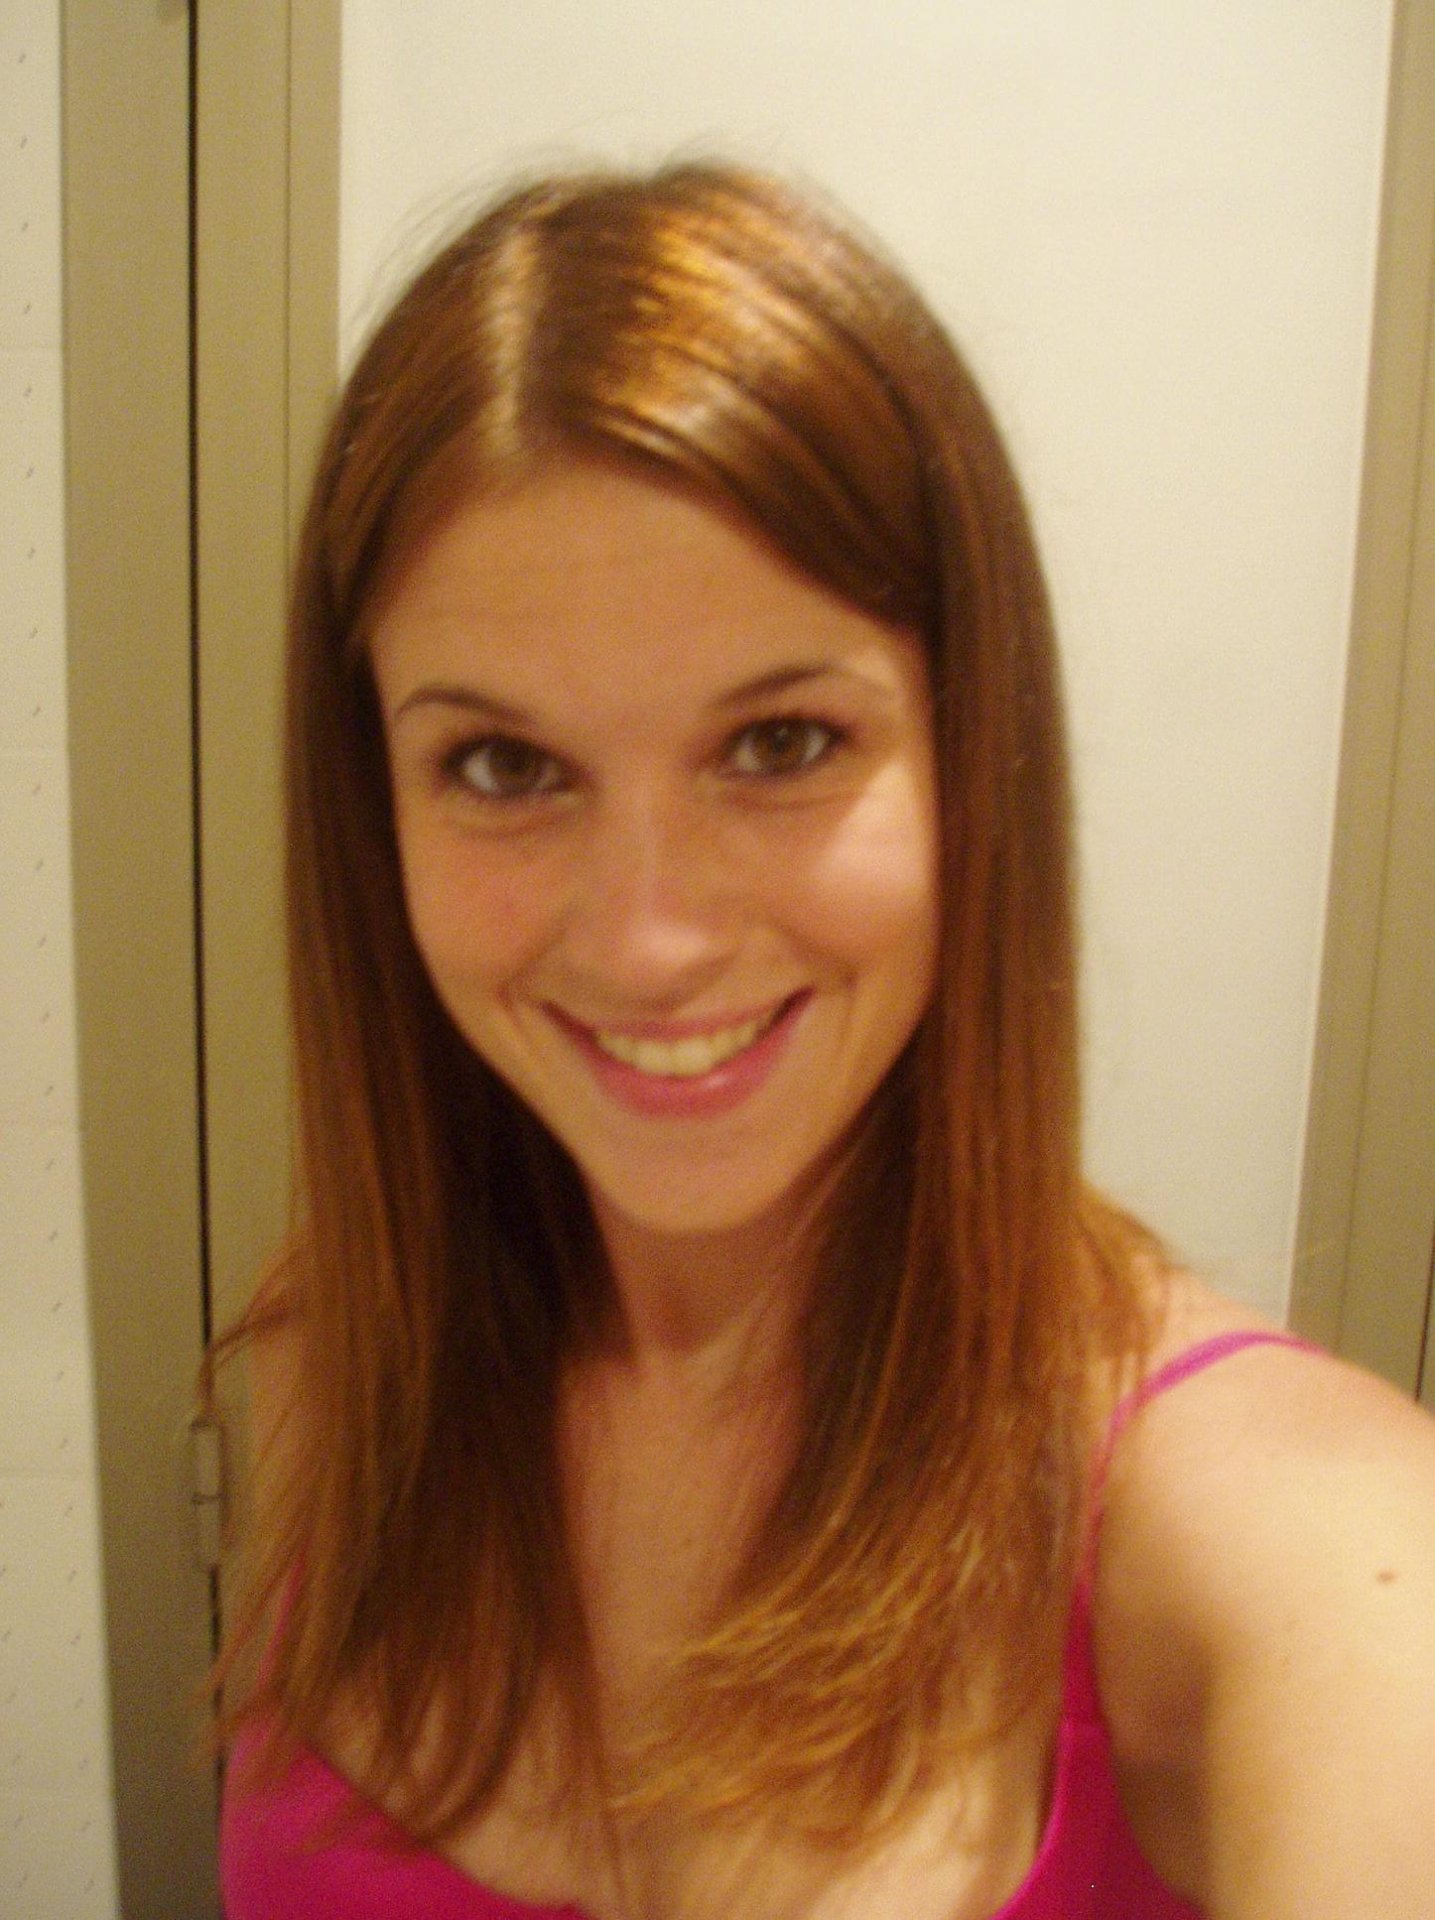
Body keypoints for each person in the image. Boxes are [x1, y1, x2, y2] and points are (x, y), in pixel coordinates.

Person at [215, 162, 1435, 1920]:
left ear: (968, 755)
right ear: (373, 811)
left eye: (781, 743)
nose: (649, 938)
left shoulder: (1290, 1545)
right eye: (503, 765)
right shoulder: (338, 1371)